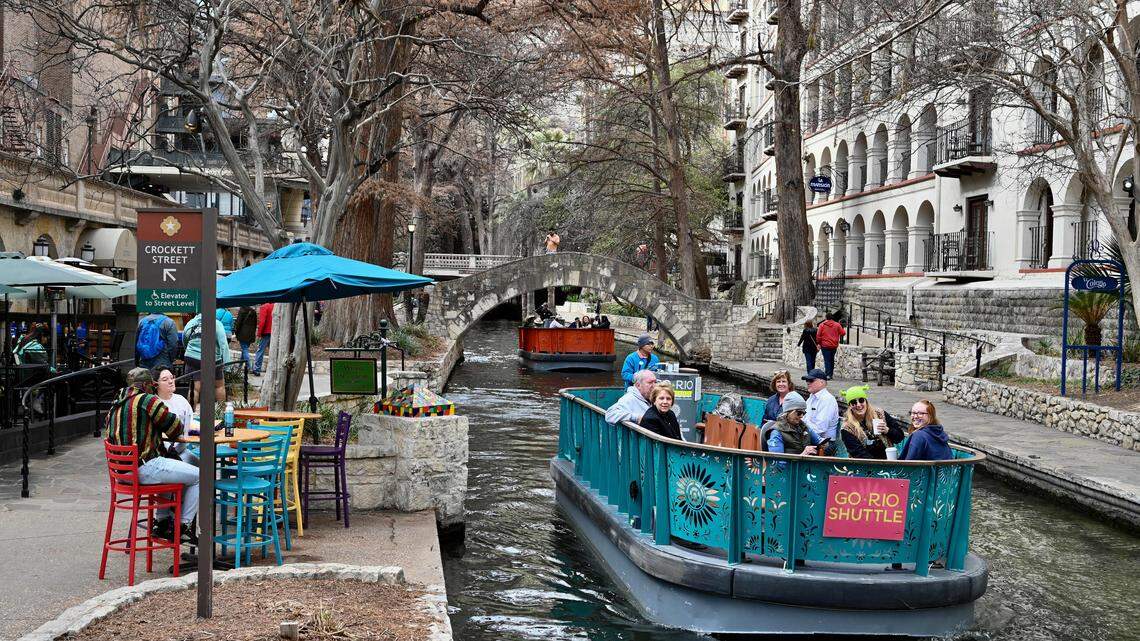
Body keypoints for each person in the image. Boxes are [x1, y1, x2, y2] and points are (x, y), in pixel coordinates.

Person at [105, 367, 197, 543]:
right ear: (148, 385)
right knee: (200, 476)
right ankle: (181, 527)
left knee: (170, 465)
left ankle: (161, 523)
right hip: (144, 467)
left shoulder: (116, 401)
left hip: (122, 474)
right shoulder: (148, 400)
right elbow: (175, 428)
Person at [839, 385, 904, 459]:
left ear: (866, 401)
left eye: (861, 400)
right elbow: (858, 453)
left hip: (888, 461)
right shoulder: (847, 427)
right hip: (865, 466)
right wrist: (877, 465)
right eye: (854, 402)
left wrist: (887, 430)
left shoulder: (880, 414)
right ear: (850, 406)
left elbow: (900, 436)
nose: (858, 405)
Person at [182, 312, 228, 408]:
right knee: (219, 386)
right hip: (212, 358)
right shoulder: (217, 324)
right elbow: (223, 344)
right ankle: (221, 412)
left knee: (194, 388)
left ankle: (191, 414)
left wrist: (189, 349)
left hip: (192, 356)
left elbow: (184, 338)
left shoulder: (191, 323)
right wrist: (227, 364)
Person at [154, 367, 197, 465]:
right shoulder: (154, 403)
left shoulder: (180, 399)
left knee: (205, 471)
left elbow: (191, 424)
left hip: (182, 450)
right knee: (199, 474)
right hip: (165, 455)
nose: (170, 381)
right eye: (165, 379)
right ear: (156, 384)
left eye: (172, 377)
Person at [802, 368, 839, 441]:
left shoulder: (827, 399)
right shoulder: (812, 397)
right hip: (811, 437)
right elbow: (804, 417)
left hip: (825, 443)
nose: (808, 383)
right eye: (807, 380)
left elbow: (820, 428)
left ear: (822, 382)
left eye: (811, 380)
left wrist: (801, 427)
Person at [816, 313, 846, 380]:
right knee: (831, 359)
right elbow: (843, 333)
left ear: (826, 318)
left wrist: (818, 343)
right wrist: (840, 327)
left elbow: (818, 335)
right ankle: (830, 374)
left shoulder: (822, 325)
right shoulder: (837, 325)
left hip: (825, 345)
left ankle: (827, 375)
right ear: (832, 317)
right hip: (834, 345)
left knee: (827, 360)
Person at [253, 302, 274, 375]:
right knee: (273, 352)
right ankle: (272, 370)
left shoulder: (264, 307)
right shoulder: (275, 305)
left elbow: (262, 322)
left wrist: (259, 333)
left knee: (260, 351)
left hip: (265, 332)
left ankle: (257, 369)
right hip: (274, 332)